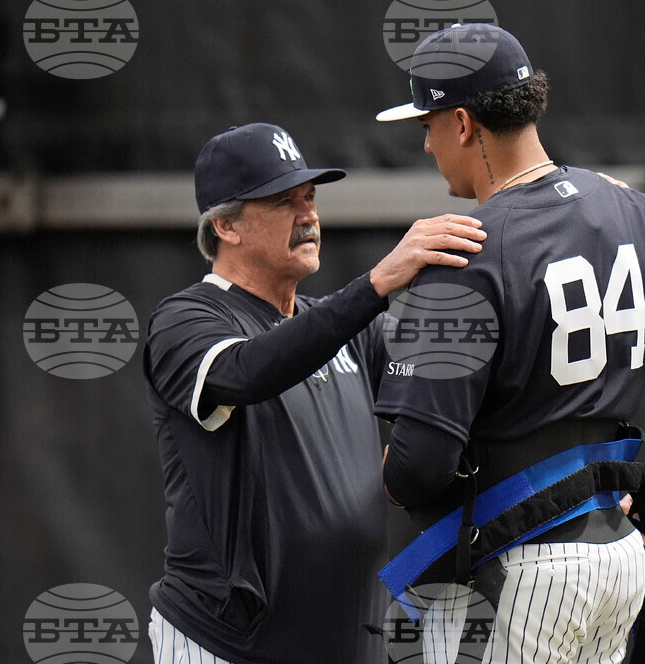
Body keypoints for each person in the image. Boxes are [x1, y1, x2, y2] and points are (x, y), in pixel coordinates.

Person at [374, 24, 645, 663]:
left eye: (426, 124)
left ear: (461, 123)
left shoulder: (463, 250)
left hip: (518, 568)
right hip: (620, 554)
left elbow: (419, 470)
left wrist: (389, 474)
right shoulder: (632, 211)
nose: (424, 144)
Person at [142, 122, 487, 663]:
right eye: (283, 202)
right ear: (227, 226)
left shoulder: (340, 326)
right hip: (229, 644)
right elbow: (248, 372)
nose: (308, 216)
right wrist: (374, 286)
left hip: (347, 639)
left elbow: (439, 384)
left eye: (310, 197)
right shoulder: (188, 319)